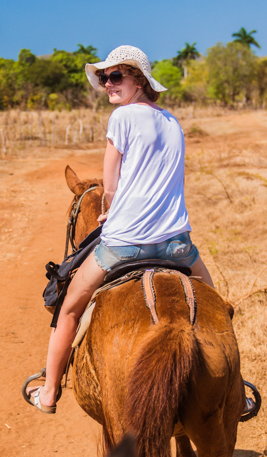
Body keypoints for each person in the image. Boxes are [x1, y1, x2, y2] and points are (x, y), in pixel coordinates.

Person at [26, 45, 214, 414]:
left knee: (68, 309)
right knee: (217, 307)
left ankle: (48, 392)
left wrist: (110, 211)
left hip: (124, 245)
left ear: (139, 80)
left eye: (115, 76)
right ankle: (235, 390)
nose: (107, 84)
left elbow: (109, 185)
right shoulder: (173, 122)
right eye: (103, 78)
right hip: (177, 245)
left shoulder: (122, 117)